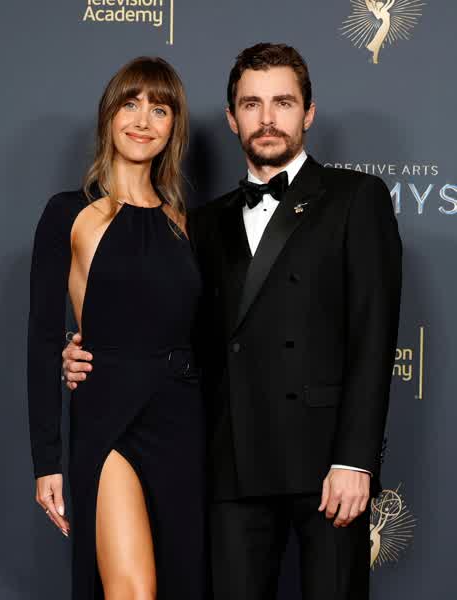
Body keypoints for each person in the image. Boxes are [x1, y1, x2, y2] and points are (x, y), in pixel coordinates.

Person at [62, 43, 403, 599]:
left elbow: (374, 337)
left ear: (308, 113)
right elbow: (167, 323)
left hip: (325, 466)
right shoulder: (199, 223)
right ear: (230, 118)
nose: (267, 119)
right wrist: (82, 347)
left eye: (283, 103)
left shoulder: (356, 198)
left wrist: (355, 461)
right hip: (230, 468)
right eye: (251, 104)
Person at [27, 56, 207, 600]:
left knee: (180, 584)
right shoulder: (69, 213)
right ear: (109, 115)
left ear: (174, 127)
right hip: (109, 414)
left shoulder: (186, 225)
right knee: (131, 589)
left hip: (182, 418)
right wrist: (46, 461)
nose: (143, 121)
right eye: (131, 104)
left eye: (159, 109)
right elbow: (42, 338)